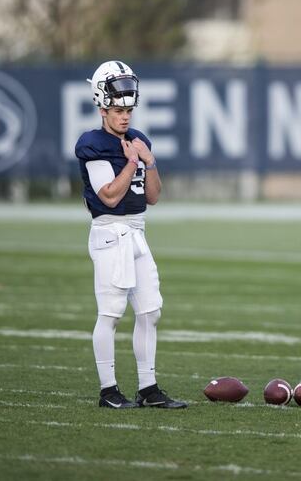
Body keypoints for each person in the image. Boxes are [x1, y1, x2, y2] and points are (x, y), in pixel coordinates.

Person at [75, 60, 186, 409]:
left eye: (128, 108)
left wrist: (149, 162)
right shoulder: (91, 143)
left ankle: (148, 388)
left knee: (150, 311)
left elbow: (152, 196)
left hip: (137, 231)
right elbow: (108, 195)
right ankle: (108, 390)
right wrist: (132, 164)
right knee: (110, 314)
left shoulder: (138, 140)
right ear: (101, 106)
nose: (125, 116)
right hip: (110, 232)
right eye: (117, 109)